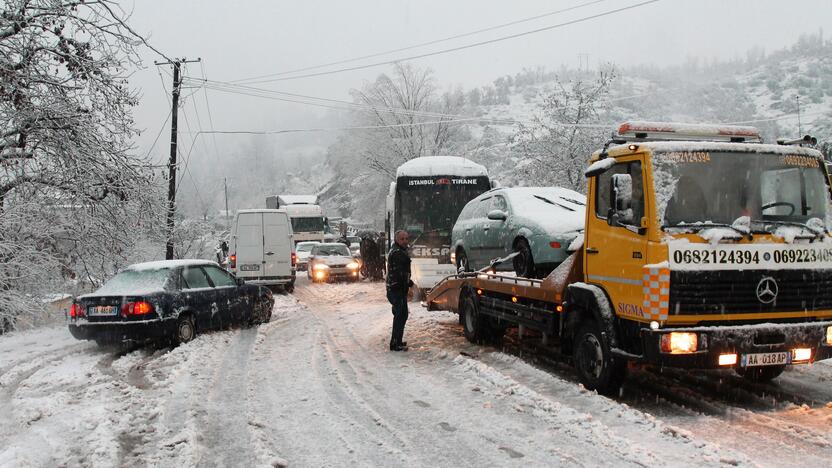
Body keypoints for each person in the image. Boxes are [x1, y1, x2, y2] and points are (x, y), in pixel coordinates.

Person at [386, 230, 412, 351]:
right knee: (400, 315)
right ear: (397, 239)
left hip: (397, 288)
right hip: (396, 289)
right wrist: (408, 282)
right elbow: (400, 273)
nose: (405, 241)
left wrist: (408, 282)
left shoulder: (399, 251)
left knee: (402, 315)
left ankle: (398, 340)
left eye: (406, 239)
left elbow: (402, 273)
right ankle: (395, 343)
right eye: (402, 239)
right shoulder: (397, 253)